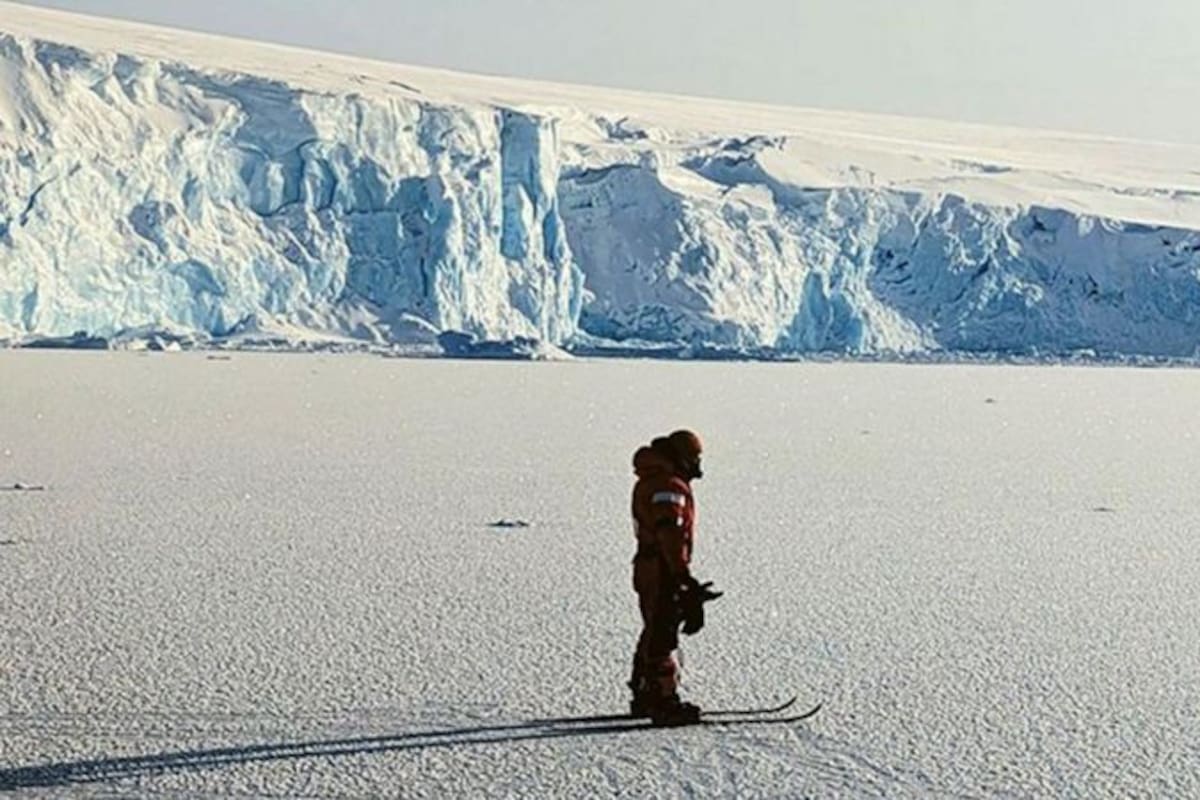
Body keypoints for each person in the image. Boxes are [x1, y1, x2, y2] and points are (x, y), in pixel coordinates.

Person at [628, 429, 717, 727]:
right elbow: (671, 533)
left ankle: (643, 691)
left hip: (649, 565)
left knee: (654, 626)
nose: (697, 466)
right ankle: (662, 700)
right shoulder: (669, 485)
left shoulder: (653, 480)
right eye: (694, 458)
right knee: (663, 632)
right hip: (661, 567)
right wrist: (682, 576)